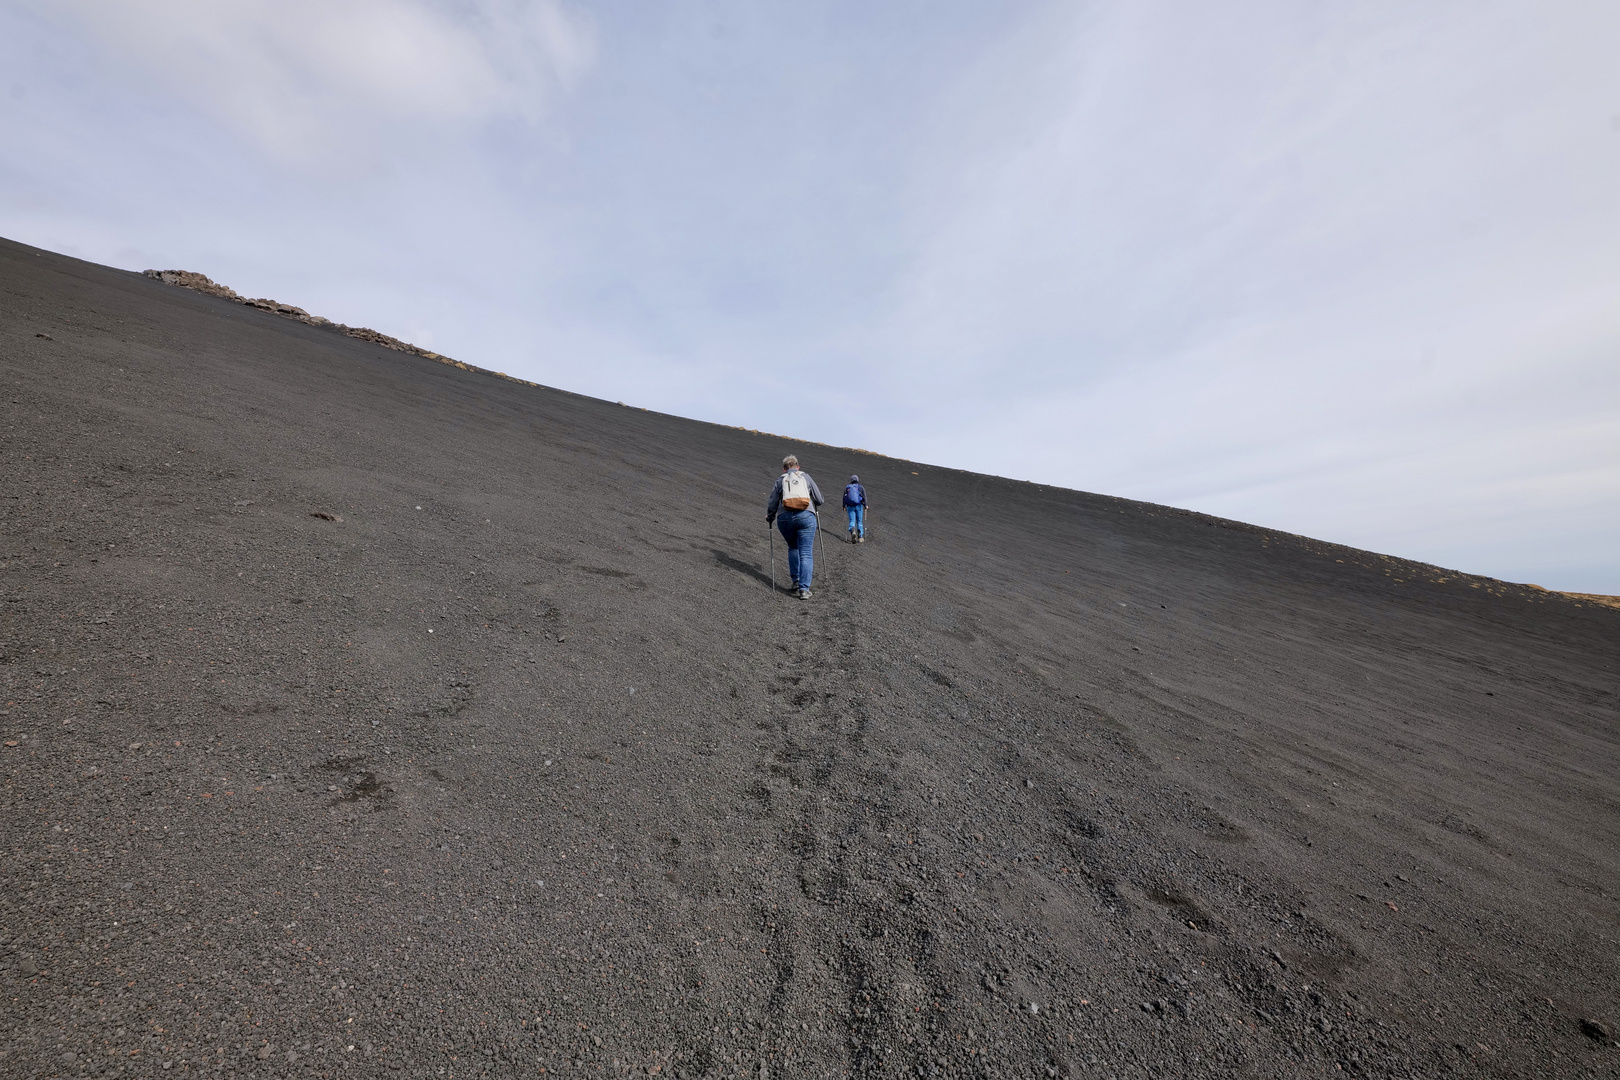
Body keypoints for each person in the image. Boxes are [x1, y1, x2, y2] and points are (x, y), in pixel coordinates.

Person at [766, 454, 824, 599]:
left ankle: (796, 581)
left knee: (793, 547)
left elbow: (773, 502)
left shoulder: (780, 480)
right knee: (805, 552)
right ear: (798, 466)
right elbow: (819, 499)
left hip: (784, 518)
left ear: (784, 469)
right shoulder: (806, 477)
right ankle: (804, 590)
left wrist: (770, 516)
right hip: (805, 516)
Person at [842, 474, 867, 543]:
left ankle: (853, 530)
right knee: (859, 521)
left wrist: (844, 506)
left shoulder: (848, 487)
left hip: (850, 506)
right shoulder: (860, 487)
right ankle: (860, 536)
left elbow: (844, 497)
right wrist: (866, 505)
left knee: (852, 521)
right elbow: (864, 496)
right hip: (859, 506)